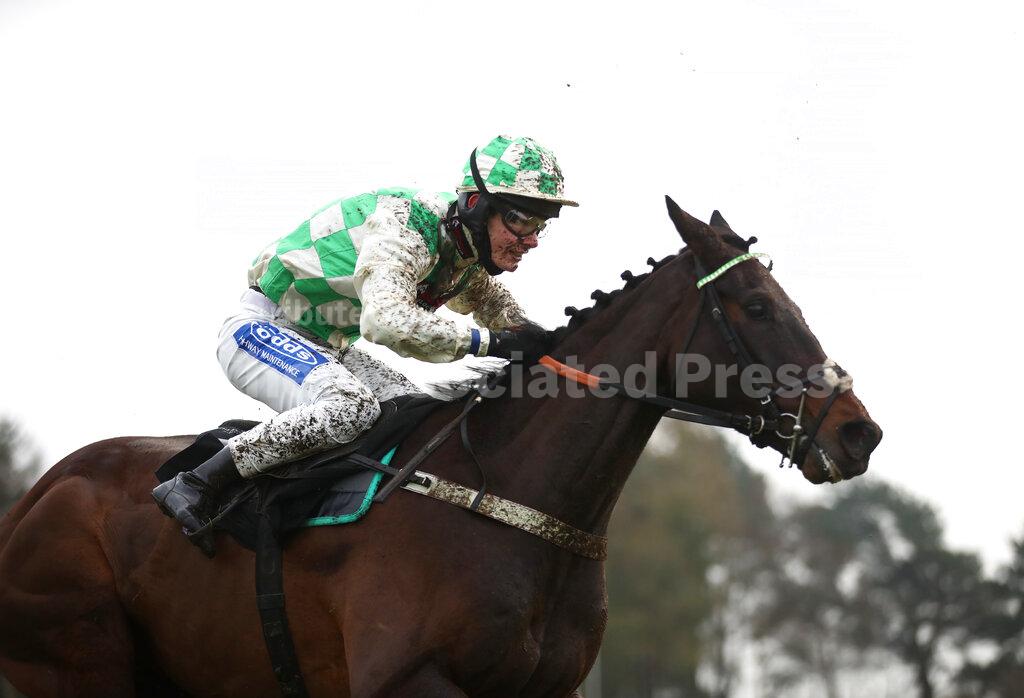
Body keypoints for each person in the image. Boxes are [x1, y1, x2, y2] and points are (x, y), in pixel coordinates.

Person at [152, 135, 578, 551]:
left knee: (416, 412)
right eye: (521, 221)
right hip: (260, 330)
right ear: (475, 205)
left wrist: (559, 342)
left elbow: (495, 307)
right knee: (350, 407)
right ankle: (197, 481)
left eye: (540, 226)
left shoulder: (464, 252)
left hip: (329, 346)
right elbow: (388, 322)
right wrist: (493, 343)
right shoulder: (407, 224)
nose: (531, 239)